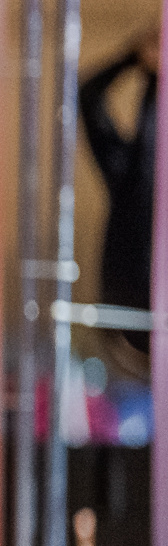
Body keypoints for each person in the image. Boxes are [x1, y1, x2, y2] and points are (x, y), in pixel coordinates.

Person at [79, 21, 159, 361]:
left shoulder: (129, 173)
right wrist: (136, 59)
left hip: (126, 319)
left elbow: (88, 95)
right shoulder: (129, 174)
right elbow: (88, 95)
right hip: (126, 321)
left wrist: (138, 60)